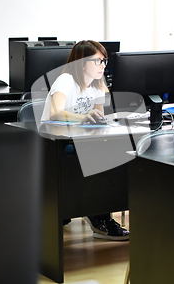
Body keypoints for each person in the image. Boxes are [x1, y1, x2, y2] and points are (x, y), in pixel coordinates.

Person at [41, 40, 129, 241]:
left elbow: (98, 118)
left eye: (104, 61)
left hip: (81, 141)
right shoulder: (66, 81)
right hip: (55, 144)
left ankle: (103, 212)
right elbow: (55, 113)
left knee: (115, 149)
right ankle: (98, 215)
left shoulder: (98, 86)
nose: (103, 66)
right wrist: (84, 117)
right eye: (97, 61)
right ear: (81, 63)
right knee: (98, 155)